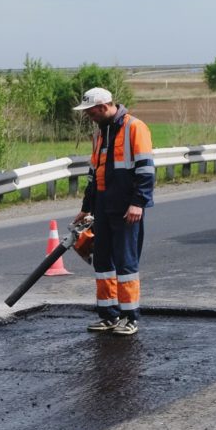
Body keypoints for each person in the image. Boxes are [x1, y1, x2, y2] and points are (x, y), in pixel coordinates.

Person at [72, 87, 155, 335]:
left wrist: (138, 203)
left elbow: (146, 170)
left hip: (126, 208)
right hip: (102, 208)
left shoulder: (134, 128)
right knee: (103, 261)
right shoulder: (99, 135)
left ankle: (130, 317)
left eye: (91, 111)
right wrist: (86, 208)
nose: (89, 116)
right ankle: (109, 315)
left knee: (125, 262)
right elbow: (93, 174)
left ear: (103, 106)